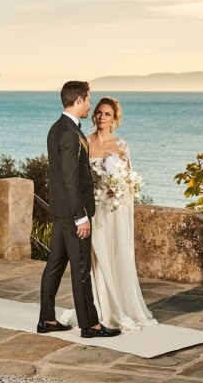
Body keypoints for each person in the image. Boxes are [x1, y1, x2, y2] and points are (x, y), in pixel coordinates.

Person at [38, 81, 121, 339]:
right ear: (78, 101)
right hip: (72, 214)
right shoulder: (69, 133)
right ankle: (91, 325)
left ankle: (47, 319)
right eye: (88, 100)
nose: (89, 105)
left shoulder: (57, 128)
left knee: (54, 264)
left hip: (60, 211)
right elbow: (70, 179)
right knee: (81, 269)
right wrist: (81, 216)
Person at [85, 97, 158, 330]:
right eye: (98, 112)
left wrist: (116, 190)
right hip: (94, 208)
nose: (101, 117)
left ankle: (121, 306)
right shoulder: (84, 143)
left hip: (114, 209)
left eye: (107, 114)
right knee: (98, 256)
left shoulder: (121, 145)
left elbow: (127, 179)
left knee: (116, 253)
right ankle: (100, 308)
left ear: (114, 119)